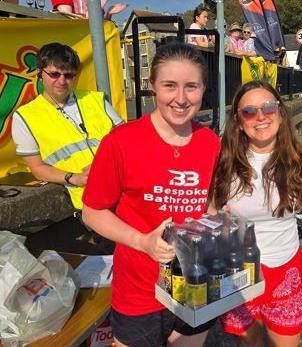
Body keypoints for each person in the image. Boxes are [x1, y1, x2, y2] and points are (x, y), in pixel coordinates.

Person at [81, 42, 221, 347]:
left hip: (194, 285)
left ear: (203, 89)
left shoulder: (210, 142)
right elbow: (92, 211)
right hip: (139, 292)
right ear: (153, 87)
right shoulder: (121, 142)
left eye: (191, 87)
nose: (181, 99)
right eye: (169, 85)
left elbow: (209, 204)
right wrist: (142, 241)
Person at [212, 81, 302, 347]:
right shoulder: (224, 160)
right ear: (238, 119)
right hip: (239, 269)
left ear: (280, 112)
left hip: (285, 267)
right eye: (249, 111)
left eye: (268, 107)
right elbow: (208, 209)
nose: (260, 116)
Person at [12, 42, 123, 211]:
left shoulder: (96, 99)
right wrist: (75, 178)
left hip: (124, 189)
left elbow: (125, 140)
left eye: (69, 75)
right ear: (40, 74)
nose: (62, 81)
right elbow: (37, 168)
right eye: (55, 74)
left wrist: (105, 165)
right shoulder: (25, 116)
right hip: (89, 202)